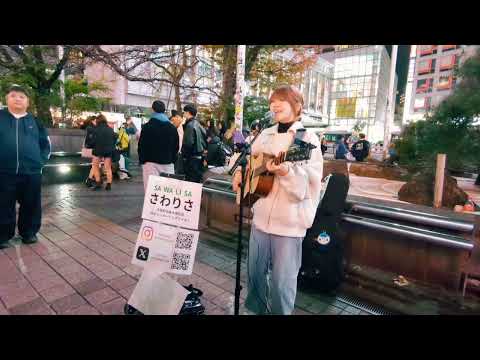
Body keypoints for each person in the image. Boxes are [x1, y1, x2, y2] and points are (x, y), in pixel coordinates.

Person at [232, 85, 323, 315]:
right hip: (260, 218)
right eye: (273, 100)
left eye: (282, 99)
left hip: (290, 225)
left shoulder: (307, 139)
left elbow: (310, 184)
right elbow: (247, 160)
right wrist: (239, 173)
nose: (275, 104)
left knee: (282, 283)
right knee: (255, 275)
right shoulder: (265, 133)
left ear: (297, 105)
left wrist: (286, 172)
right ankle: (255, 311)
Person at [0, 85, 51, 248]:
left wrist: (40, 162)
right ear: (6, 99)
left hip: (31, 173)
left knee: (31, 204)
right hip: (3, 172)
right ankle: (2, 236)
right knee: (3, 204)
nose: (17, 99)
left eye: (22, 97)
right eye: (13, 96)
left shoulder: (35, 121)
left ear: (27, 102)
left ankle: (29, 233)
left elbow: (46, 144)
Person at [138, 100, 179, 191]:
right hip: (167, 163)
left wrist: (142, 160)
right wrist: (172, 160)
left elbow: (141, 145)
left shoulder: (147, 127)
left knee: (151, 193)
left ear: (153, 110)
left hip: (150, 163)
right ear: (164, 111)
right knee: (167, 191)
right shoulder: (172, 128)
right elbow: (176, 147)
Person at [182, 104, 207, 183]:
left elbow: (188, 143)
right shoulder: (198, 124)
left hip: (192, 158)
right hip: (199, 157)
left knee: (190, 181)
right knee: (196, 181)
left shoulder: (189, 125)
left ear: (188, 112)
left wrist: (184, 156)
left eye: (184, 112)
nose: (183, 114)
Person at [91, 114, 117, 191]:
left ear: (98, 121)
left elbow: (93, 141)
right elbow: (115, 137)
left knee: (95, 166)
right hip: (108, 150)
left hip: (98, 150)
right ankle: (108, 185)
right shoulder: (110, 129)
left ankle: (98, 183)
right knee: (108, 167)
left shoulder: (95, 129)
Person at [84, 116, 98, 187]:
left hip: (92, 148)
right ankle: (90, 180)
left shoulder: (91, 128)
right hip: (92, 149)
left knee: (95, 165)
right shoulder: (91, 128)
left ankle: (93, 179)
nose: (97, 122)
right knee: (95, 165)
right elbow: (90, 140)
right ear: (92, 121)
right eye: (96, 121)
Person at [170, 110, 184, 174]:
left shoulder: (180, 127)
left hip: (178, 153)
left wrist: (178, 152)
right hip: (177, 152)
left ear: (178, 117)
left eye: (173, 120)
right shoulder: (179, 126)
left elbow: (180, 141)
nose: (172, 122)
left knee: (175, 171)